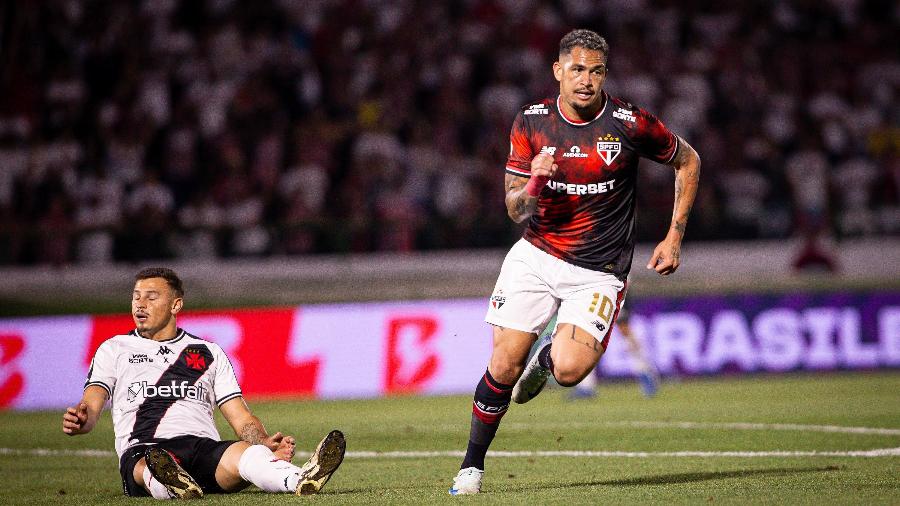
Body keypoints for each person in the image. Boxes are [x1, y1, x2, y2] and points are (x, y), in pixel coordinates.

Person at [449, 29, 700, 495]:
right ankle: (471, 468)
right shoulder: (531, 122)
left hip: (599, 271)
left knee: (569, 371)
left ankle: (545, 360)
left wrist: (674, 236)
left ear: (606, 74)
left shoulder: (630, 123)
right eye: (577, 69)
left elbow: (689, 161)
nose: (586, 80)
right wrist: (533, 185)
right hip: (537, 256)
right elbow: (514, 210)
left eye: (597, 71)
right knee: (503, 366)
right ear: (558, 71)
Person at [62, 267, 345, 499]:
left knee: (250, 455)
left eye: (151, 297)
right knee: (146, 465)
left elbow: (240, 416)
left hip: (202, 448)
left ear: (176, 305)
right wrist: (81, 419)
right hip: (146, 446)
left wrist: (263, 443)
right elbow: (92, 403)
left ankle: (301, 478)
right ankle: (171, 482)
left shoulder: (207, 353)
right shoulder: (114, 349)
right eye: (136, 297)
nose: (140, 304)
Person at [568, 302, 660, 399]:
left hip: (609, 299)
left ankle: (646, 374)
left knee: (627, 336)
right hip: (599, 301)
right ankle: (586, 386)